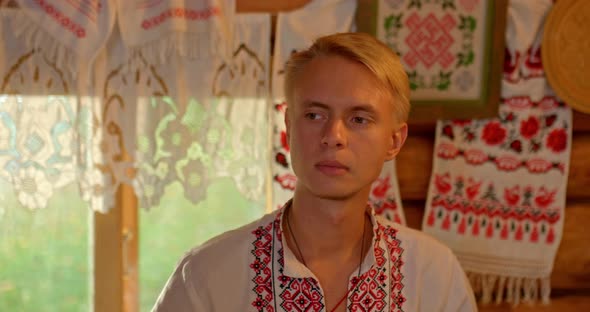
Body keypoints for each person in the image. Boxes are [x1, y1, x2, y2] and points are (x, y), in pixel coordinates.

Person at [152, 32, 477, 312]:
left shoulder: (434, 275)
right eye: (314, 115)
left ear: (394, 141)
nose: (334, 135)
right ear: (289, 128)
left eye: (358, 119)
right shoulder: (207, 276)